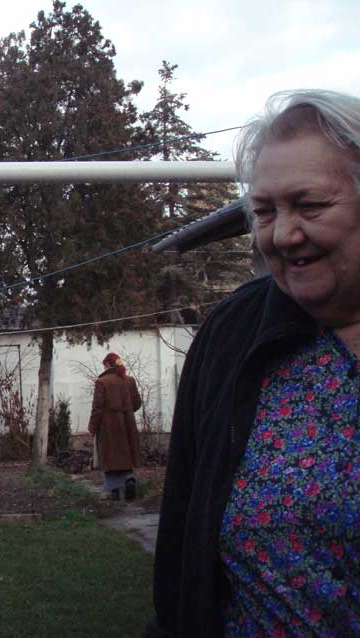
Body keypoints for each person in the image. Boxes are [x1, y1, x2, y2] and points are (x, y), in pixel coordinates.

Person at [146, 89, 360, 638]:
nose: (284, 235)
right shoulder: (231, 336)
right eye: (264, 212)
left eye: (309, 205)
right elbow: (182, 545)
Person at [88, 352, 142, 500]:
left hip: (109, 426)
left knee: (110, 457)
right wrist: (127, 411)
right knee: (126, 455)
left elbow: (98, 408)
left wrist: (92, 427)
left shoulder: (102, 382)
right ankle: (129, 479)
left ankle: (114, 491)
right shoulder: (129, 380)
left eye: (104, 365)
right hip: (127, 424)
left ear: (107, 364)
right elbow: (137, 403)